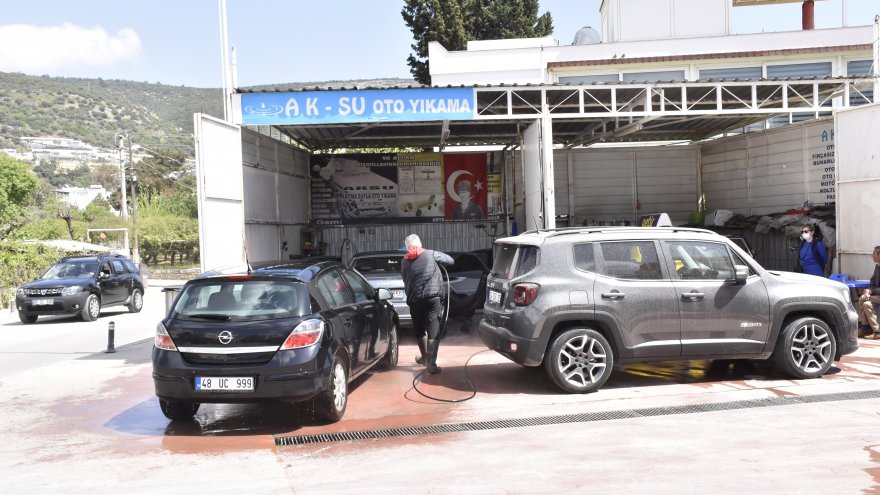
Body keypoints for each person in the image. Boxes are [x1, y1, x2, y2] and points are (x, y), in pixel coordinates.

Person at [400, 234, 453, 373]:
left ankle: (425, 358)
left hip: (414, 300)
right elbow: (450, 260)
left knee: (419, 330)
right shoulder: (431, 254)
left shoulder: (404, 261)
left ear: (407, 247)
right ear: (420, 244)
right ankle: (431, 364)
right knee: (433, 329)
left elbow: (405, 278)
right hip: (432, 298)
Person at [857, 246, 880, 338]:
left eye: (874, 253)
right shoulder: (877, 267)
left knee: (862, 298)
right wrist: (868, 291)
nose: (872, 255)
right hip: (877, 295)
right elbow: (873, 281)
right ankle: (876, 331)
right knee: (867, 304)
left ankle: (865, 326)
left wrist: (870, 291)